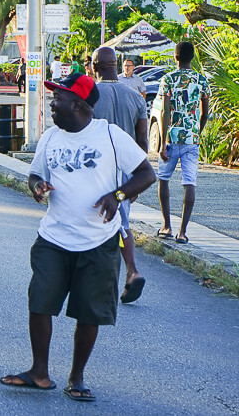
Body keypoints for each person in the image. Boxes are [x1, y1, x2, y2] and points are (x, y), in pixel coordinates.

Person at [0, 73, 155, 401]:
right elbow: (35, 174)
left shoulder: (110, 136)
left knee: (89, 311)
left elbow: (146, 173)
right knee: (40, 302)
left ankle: (77, 377)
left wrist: (118, 195)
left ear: (79, 104)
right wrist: (37, 187)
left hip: (99, 242)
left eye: (58, 98)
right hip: (53, 238)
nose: (52, 104)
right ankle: (39, 372)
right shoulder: (51, 137)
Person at [91, 46, 149, 304]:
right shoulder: (135, 96)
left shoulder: (91, 95)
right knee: (122, 225)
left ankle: (102, 279)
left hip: (97, 169)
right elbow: (143, 141)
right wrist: (135, 182)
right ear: (117, 65)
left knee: (94, 224)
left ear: (94, 66)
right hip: (127, 173)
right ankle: (131, 270)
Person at [155, 41, 210, 244]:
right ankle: (183, 232)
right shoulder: (202, 80)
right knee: (189, 183)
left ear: (175, 58)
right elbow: (205, 113)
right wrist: (197, 132)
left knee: (163, 179)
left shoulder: (168, 79)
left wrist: (162, 142)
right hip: (191, 140)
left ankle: (167, 226)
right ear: (192, 58)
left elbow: (164, 110)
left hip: (170, 137)